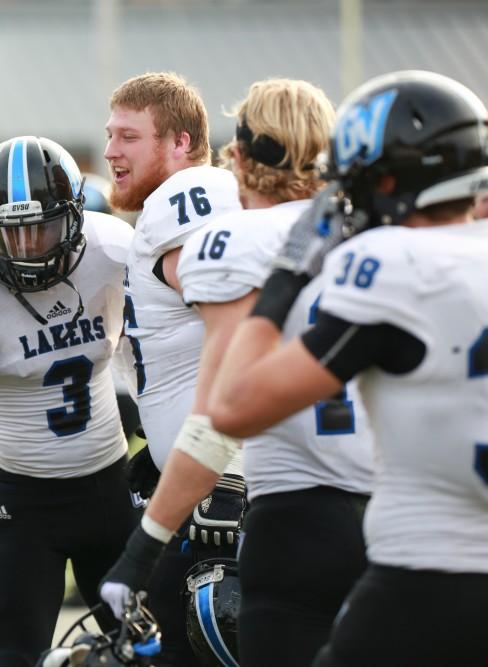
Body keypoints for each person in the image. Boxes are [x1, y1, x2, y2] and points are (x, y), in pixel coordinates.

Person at [206, 70, 488, 666]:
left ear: (385, 180)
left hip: (426, 577)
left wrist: (285, 280)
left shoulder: (387, 262)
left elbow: (232, 407)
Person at [103, 78, 376, 667]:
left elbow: (222, 406)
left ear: (240, 155)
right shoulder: (376, 237)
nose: (111, 151)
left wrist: (145, 542)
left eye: (127, 136)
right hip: (388, 511)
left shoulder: (223, 233)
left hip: (274, 506)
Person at [0, 135, 137, 666]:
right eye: (13, 233)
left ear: (75, 217)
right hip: (23, 504)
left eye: (42, 228)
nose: (28, 246)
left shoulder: (113, 251)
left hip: (111, 489)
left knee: (147, 654)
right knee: (15, 658)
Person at [104, 71, 241, 665]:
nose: (111, 151)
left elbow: (238, 323)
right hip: (199, 482)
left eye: (129, 136)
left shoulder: (180, 202)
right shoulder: (179, 205)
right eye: (110, 134)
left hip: (221, 498)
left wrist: (228, 474)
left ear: (180, 142)